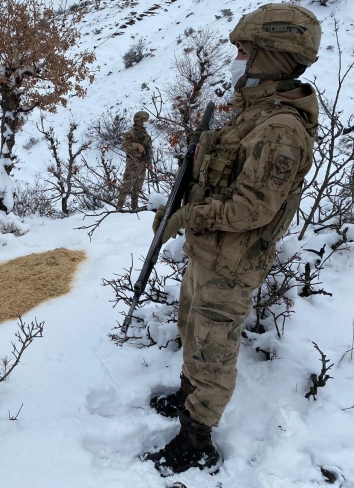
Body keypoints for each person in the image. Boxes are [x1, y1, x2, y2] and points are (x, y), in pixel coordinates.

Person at [145, 3, 321, 475]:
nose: (237, 56)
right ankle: (187, 395)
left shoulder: (280, 127)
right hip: (211, 250)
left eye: (245, 49)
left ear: (273, 56)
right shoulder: (255, 112)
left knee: (213, 349)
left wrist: (188, 215)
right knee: (191, 325)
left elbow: (253, 208)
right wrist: (184, 203)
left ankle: (196, 438)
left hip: (233, 260)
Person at [117, 111, 152, 210]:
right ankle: (119, 206)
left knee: (138, 187)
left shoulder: (146, 136)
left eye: (147, 120)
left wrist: (149, 163)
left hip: (143, 164)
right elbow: (124, 145)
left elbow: (149, 151)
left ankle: (134, 207)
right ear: (138, 121)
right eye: (144, 120)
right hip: (132, 164)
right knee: (127, 185)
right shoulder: (130, 134)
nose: (146, 122)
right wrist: (137, 146)